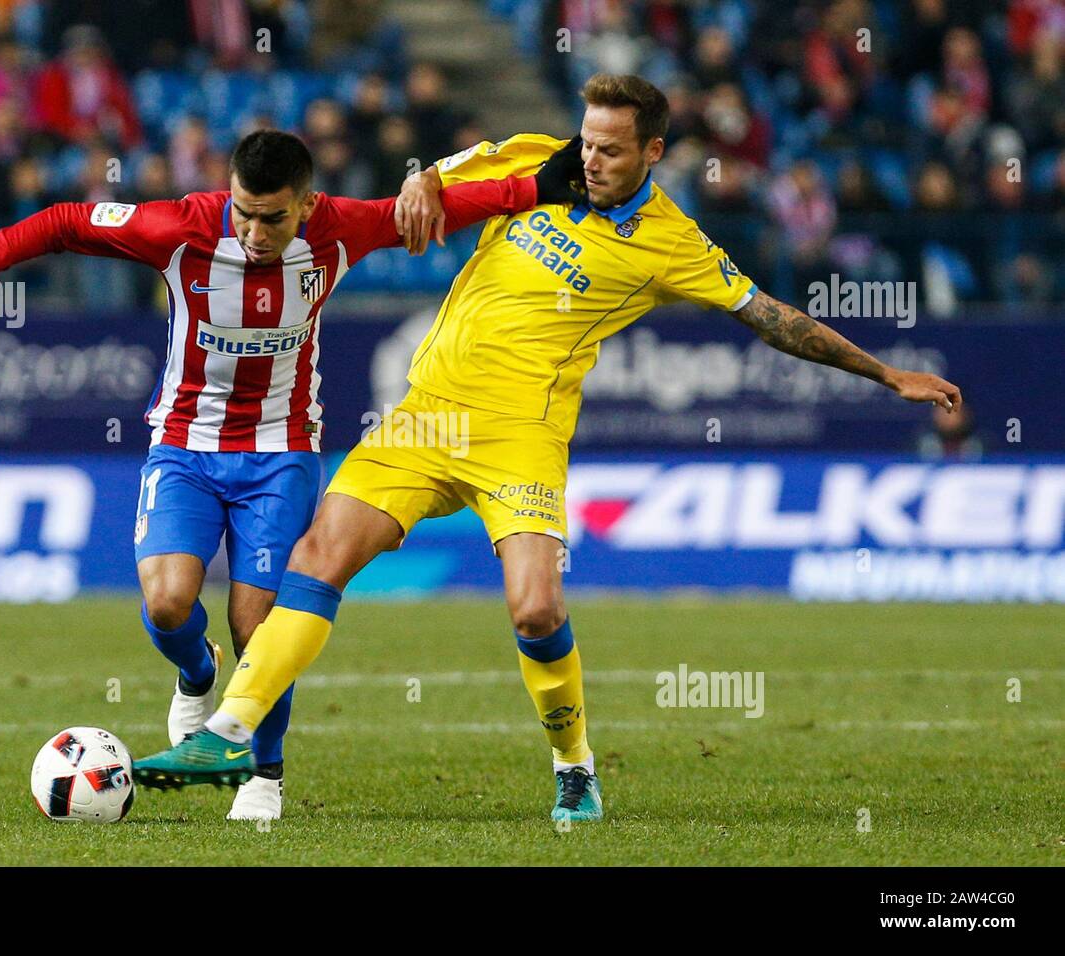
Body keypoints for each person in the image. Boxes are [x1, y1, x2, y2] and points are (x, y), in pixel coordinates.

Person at [131, 75, 961, 823]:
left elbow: (770, 317)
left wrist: (885, 373)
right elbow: (431, 179)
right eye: (587, 141)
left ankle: (573, 766)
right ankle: (232, 733)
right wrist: (421, 182)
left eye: (609, 149)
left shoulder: (670, 241)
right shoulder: (532, 160)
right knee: (319, 555)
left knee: (535, 609)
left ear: (654, 153)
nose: (589, 159)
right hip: (425, 417)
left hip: (521, 438)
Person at [0, 129, 582, 820]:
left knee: (259, 620)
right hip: (184, 446)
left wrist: (536, 188)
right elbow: (63, 223)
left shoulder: (338, 231)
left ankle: (264, 775)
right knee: (169, 604)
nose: (256, 232)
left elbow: (431, 211)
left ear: (307, 204)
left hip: (282, 452)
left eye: (273, 217)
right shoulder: (179, 227)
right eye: (244, 212)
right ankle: (195, 674)